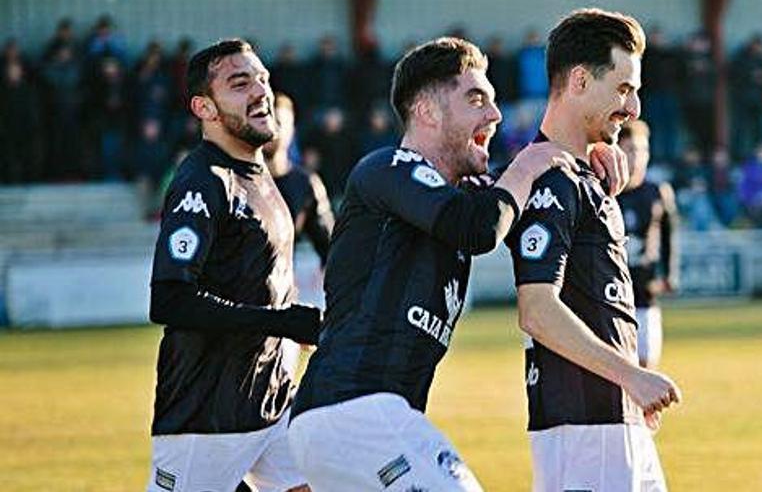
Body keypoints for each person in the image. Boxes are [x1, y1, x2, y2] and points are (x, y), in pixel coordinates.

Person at [287, 36, 626, 491]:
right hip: (355, 410)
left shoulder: (465, 194)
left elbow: (514, 203)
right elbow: (480, 228)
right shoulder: (387, 168)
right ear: (426, 112)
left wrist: (587, 154)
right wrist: (529, 164)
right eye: (475, 98)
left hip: (364, 419)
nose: (495, 114)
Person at [504, 9, 682, 492]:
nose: (634, 108)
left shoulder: (584, 175)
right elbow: (537, 310)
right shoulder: (551, 180)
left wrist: (630, 389)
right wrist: (633, 377)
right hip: (584, 425)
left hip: (614, 418)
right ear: (580, 80)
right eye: (623, 89)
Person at [146, 39, 320, 492]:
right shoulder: (202, 181)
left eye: (262, 78)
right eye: (240, 83)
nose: (260, 91)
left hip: (271, 401)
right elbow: (170, 299)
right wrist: (282, 322)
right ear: (204, 107)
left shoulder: (263, 178)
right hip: (206, 415)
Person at [617, 120, 680, 369]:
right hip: (613, 294)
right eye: (630, 149)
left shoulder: (658, 192)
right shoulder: (604, 191)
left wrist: (669, 274)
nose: (637, 157)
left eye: (643, 150)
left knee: (646, 369)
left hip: (646, 292)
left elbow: (669, 237)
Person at [264, 92, 335, 266]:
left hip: (281, 289)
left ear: (292, 130)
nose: (271, 129)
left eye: (279, 123)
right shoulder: (232, 180)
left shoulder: (306, 184)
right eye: (264, 120)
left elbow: (331, 251)